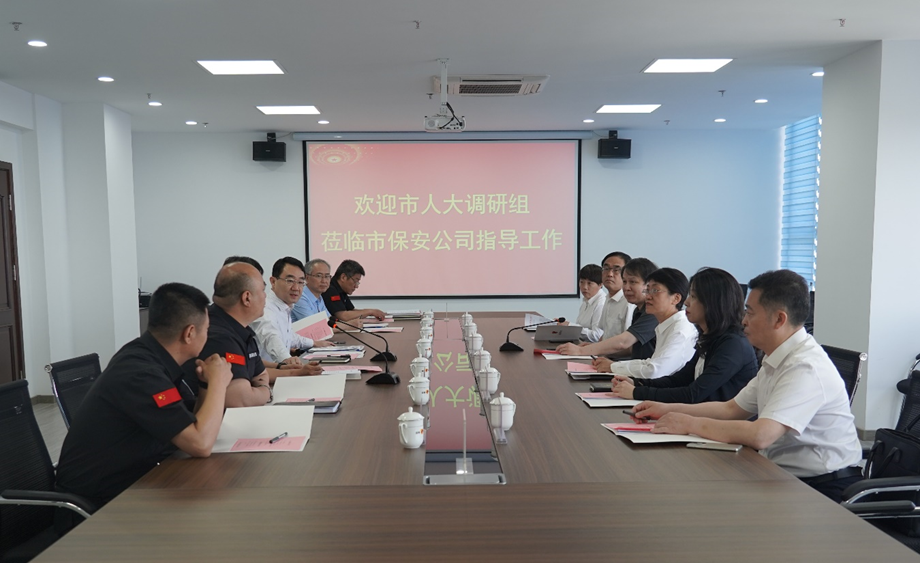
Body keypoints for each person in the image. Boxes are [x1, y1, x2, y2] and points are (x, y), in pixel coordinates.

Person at [632, 269, 863, 502]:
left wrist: (689, 423)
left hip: (824, 489)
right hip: (780, 474)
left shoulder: (805, 367)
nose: (743, 320)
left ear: (779, 319)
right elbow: (731, 409)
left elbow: (761, 435)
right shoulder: (778, 358)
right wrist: (666, 409)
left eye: (750, 312)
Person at [55, 283, 233, 514]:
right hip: (98, 506)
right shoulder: (141, 373)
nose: (208, 336)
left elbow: (193, 423)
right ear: (189, 333)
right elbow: (200, 444)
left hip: (139, 480)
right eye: (206, 329)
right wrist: (218, 382)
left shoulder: (149, 356)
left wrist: (206, 384)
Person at [191, 258, 322, 408]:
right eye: (262, 291)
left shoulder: (242, 329)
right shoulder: (218, 335)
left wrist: (290, 372)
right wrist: (266, 391)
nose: (265, 296)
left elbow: (259, 373)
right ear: (247, 298)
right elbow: (241, 400)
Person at [612, 267, 757, 402]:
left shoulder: (732, 344)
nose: (686, 302)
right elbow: (679, 380)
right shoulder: (710, 338)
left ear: (713, 302)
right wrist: (637, 383)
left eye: (693, 296)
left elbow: (693, 394)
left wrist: (637, 392)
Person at [597, 267, 697, 378]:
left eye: (655, 291)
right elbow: (650, 362)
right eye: (648, 290)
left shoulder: (680, 330)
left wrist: (613, 367)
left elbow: (655, 370)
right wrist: (614, 366)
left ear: (676, 298)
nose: (648, 296)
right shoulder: (665, 325)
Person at [556, 258, 659, 361]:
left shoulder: (653, 312)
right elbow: (631, 349)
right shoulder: (639, 310)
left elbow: (624, 342)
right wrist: (594, 349)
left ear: (649, 285)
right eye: (624, 282)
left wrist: (581, 351)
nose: (626, 287)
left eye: (633, 282)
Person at [252, 257, 334, 365]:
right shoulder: (265, 309)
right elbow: (271, 337)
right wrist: (287, 359)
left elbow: (289, 336)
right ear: (273, 281)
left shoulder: (285, 306)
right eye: (290, 281)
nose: (296, 288)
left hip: (280, 369)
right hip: (268, 372)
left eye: (300, 282)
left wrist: (314, 343)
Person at [323, 259, 386, 323]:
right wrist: (370, 311)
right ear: (343, 277)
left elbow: (351, 311)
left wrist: (372, 313)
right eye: (355, 281)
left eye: (358, 282)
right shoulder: (330, 289)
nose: (356, 286)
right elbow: (343, 316)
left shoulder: (342, 290)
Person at [559, 264, 607, 341]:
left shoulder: (601, 304)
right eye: (581, 282)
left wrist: (570, 326)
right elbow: (580, 326)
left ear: (601, 284)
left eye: (589, 283)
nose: (584, 287)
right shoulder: (586, 300)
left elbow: (597, 336)